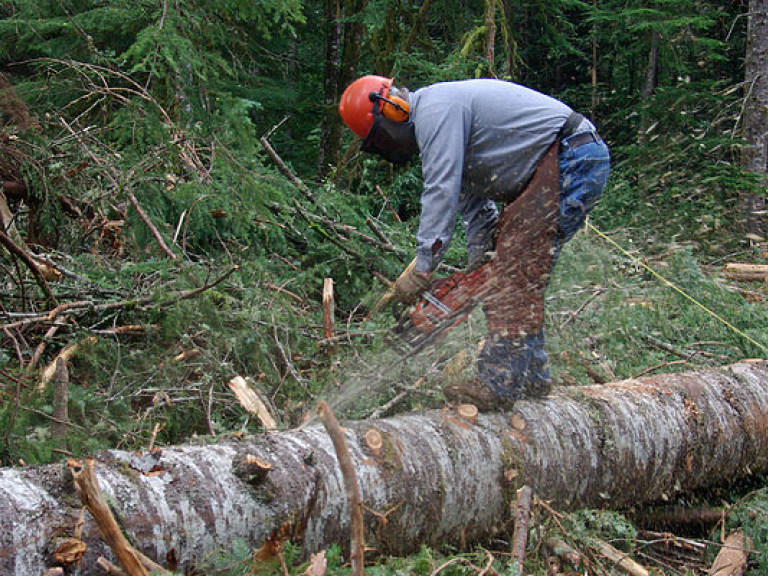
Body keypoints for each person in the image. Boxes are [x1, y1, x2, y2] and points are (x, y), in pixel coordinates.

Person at [338, 75, 611, 410]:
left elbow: (442, 190)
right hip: (555, 164)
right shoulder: (445, 126)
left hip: (571, 156)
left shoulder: (435, 111)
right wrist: (480, 264)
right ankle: (533, 377)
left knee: (515, 274)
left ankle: (499, 383)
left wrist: (424, 267)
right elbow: (476, 209)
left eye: (380, 138)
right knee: (512, 271)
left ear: (392, 109)